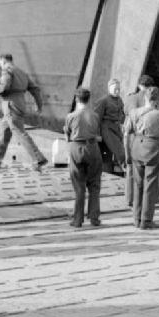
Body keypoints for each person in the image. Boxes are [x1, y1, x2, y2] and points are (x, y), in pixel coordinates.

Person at [123, 86, 159, 229]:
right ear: (156, 99)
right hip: (152, 150)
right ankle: (146, 220)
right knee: (150, 185)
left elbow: (127, 131)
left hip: (136, 148)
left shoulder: (134, 113)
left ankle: (136, 218)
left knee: (138, 184)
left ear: (144, 98)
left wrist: (127, 152)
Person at [0, 53, 48, 170]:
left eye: (0, 63)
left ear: (3, 61)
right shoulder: (22, 72)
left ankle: (38, 159)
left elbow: (4, 87)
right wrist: (39, 105)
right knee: (4, 133)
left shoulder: (7, 70)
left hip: (10, 105)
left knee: (20, 133)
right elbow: (35, 89)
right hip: (20, 103)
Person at [63, 87, 102, 228]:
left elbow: (67, 135)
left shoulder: (71, 116)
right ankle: (94, 218)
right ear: (89, 99)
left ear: (76, 99)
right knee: (94, 185)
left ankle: (77, 220)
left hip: (76, 148)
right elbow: (98, 132)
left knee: (79, 186)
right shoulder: (95, 116)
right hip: (92, 148)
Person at [123, 74, 155, 205]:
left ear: (139, 85)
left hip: (131, 138)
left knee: (130, 168)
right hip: (146, 139)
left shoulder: (131, 98)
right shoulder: (153, 100)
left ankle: (129, 199)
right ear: (150, 87)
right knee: (148, 170)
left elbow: (125, 112)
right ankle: (146, 199)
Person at [94, 78, 126, 174]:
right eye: (115, 88)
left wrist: (123, 124)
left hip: (117, 128)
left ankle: (117, 168)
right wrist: (97, 134)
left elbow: (122, 114)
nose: (117, 91)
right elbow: (96, 118)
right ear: (109, 89)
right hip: (107, 128)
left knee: (119, 149)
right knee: (120, 152)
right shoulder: (103, 101)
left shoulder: (119, 100)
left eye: (119, 89)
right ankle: (123, 166)